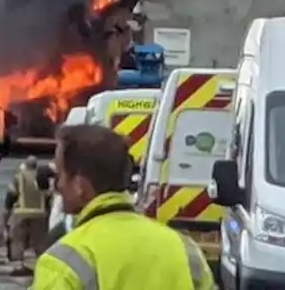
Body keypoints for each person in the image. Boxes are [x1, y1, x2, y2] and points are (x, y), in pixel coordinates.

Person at [32, 124, 214, 290]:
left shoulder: (64, 261)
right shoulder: (184, 249)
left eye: (61, 175)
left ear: (80, 185)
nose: (58, 185)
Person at [6, 157, 50, 276]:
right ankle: (41, 266)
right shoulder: (42, 177)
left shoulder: (19, 177)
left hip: (21, 213)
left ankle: (20, 266)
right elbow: (48, 195)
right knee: (39, 242)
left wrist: (7, 212)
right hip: (40, 214)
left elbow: (11, 195)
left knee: (18, 240)